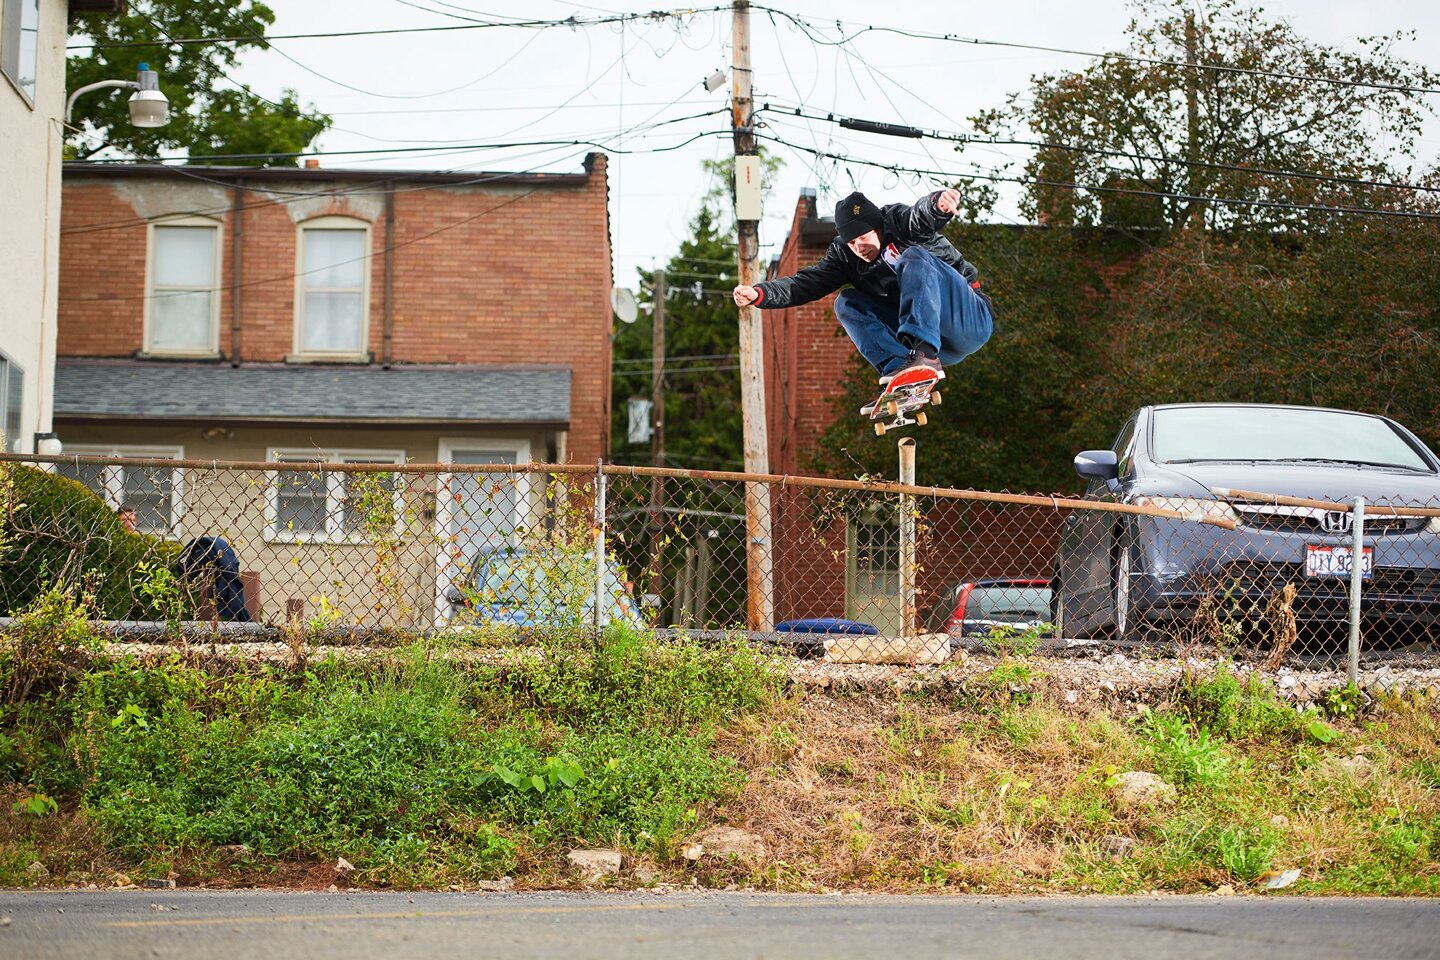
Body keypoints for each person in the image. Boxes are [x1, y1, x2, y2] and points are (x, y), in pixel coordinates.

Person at [733, 187, 994, 386]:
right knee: (846, 301)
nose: (860, 248)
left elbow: (920, 217)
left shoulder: (899, 223)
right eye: (852, 243)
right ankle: (899, 367)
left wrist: (937, 205)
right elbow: (807, 284)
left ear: (878, 227)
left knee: (914, 257)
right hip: (940, 346)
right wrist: (761, 293)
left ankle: (923, 355)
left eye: (864, 237)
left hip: (969, 318)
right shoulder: (844, 257)